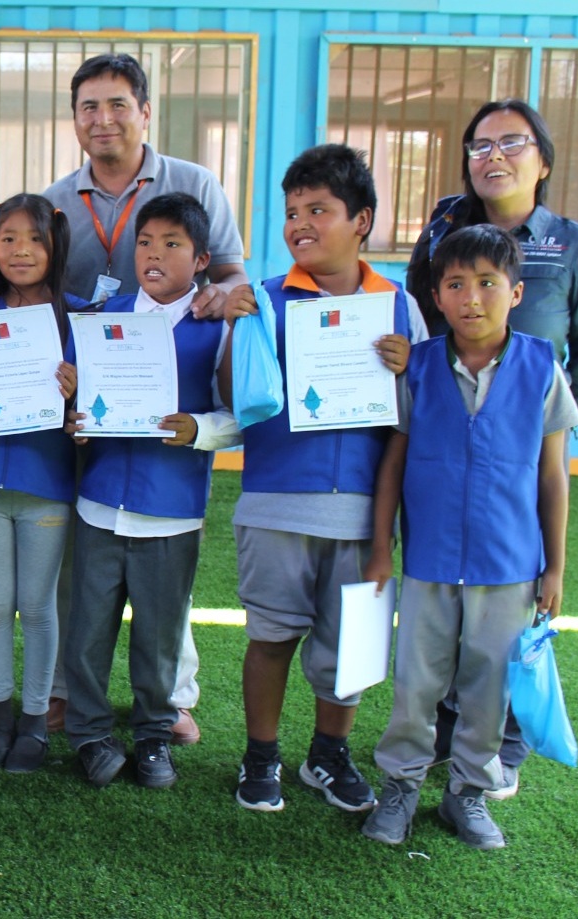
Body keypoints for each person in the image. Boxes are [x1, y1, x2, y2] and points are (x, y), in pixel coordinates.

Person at [404, 99, 578, 797]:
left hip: (521, 435)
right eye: (478, 144)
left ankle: (497, 749)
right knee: (436, 622)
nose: (492, 155)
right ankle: (434, 743)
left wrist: (537, 410)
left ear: (542, 160)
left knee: (503, 611)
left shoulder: (574, 243)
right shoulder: (444, 228)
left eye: (511, 143)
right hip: (446, 422)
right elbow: (418, 317)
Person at [44, 53, 249, 741]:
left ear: (145, 110)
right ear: (75, 118)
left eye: (117, 104)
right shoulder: (55, 197)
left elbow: (231, 277)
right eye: (88, 107)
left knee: (165, 572)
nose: (103, 119)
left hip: (173, 400)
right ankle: (74, 692)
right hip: (93, 399)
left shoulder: (194, 183)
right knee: (87, 553)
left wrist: (220, 300)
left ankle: (170, 696)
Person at [362, 224, 576, 850]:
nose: (471, 298)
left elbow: (553, 476)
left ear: (515, 292)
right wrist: (382, 547)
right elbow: (393, 464)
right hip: (429, 560)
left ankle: (468, 796)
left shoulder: (541, 366)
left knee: (488, 689)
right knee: (416, 686)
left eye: (487, 283)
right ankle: (399, 788)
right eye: (455, 284)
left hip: (510, 565)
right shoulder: (418, 367)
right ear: (436, 293)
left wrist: (555, 569)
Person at [220, 144, 418, 813]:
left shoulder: (398, 307)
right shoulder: (266, 301)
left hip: (362, 512)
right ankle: (261, 755)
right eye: (292, 212)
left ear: (360, 220)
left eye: (319, 210)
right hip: (276, 502)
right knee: (270, 636)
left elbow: (417, 419)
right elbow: (234, 396)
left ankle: (328, 754)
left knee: (352, 646)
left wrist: (406, 370)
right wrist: (241, 327)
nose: (300, 223)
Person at [61, 193, 238, 790]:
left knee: (159, 636)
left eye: (172, 244)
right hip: (100, 502)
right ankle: (88, 734)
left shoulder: (218, 328)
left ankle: (154, 735)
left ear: (202, 258)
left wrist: (200, 429)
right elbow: (72, 405)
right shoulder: (101, 317)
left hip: (171, 509)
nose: (154, 254)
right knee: (87, 631)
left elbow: (243, 414)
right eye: (144, 242)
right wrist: (74, 421)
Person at [0, 194, 83, 773]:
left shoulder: (79, 318)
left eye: (34, 239)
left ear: (55, 246)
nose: (21, 251)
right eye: (7, 239)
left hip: (46, 485)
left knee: (36, 607)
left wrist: (76, 392)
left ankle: (34, 724)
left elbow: (94, 411)